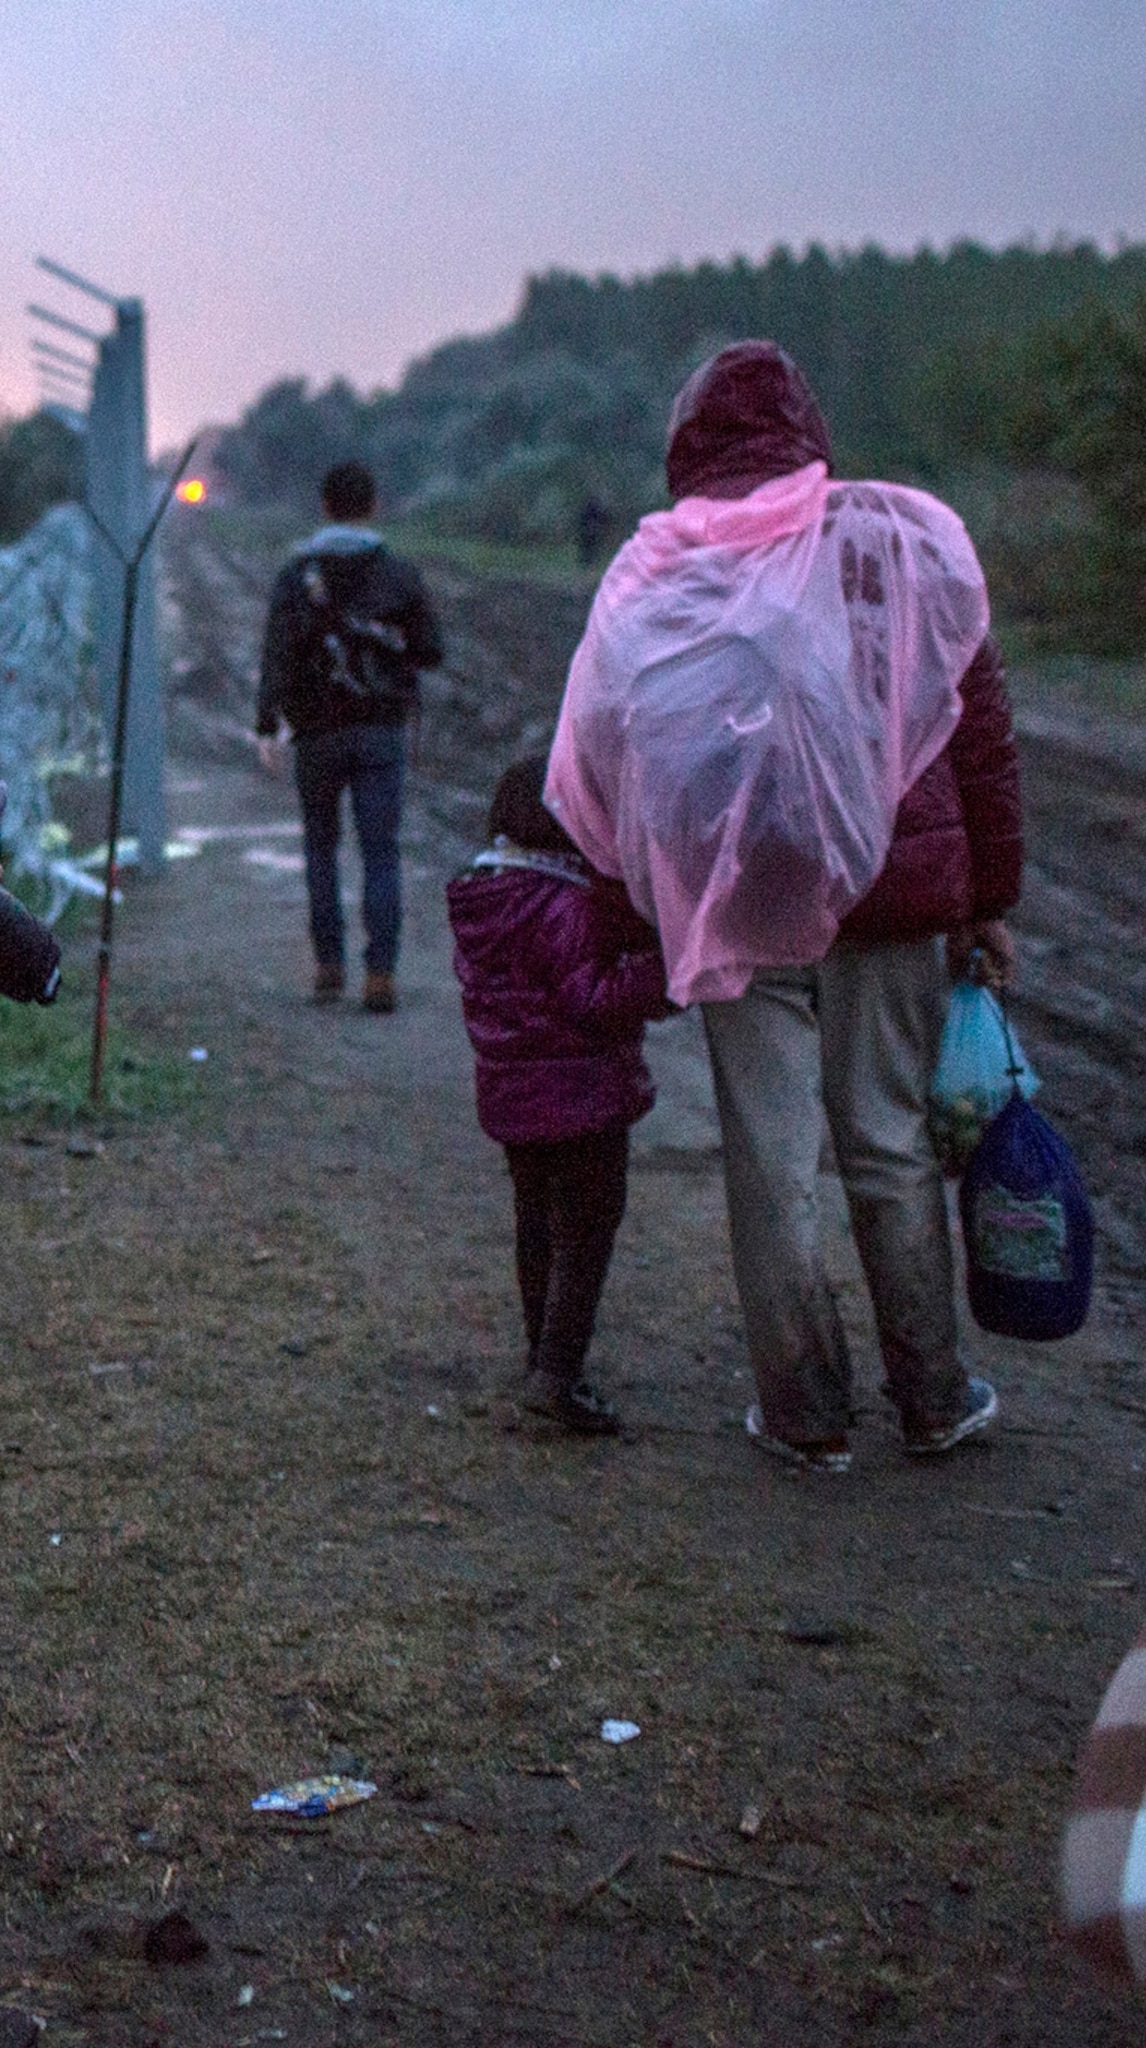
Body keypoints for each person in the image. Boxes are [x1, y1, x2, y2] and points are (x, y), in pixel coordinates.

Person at [545, 341, 1021, 1475]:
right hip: (893, 903)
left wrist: (630, 915)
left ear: (686, 450)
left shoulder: (659, 576)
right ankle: (934, 1395)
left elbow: (613, 750)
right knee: (893, 1144)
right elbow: (982, 729)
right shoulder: (893, 548)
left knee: (770, 1161)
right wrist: (989, 896)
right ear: (810, 431)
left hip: (740, 905)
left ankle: (806, 1408)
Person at [448, 756, 676, 1436]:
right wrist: (664, 977)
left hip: (513, 1096)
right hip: (584, 1098)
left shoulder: (482, 896)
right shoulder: (566, 903)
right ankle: (558, 1374)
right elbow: (594, 999)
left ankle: (538, 1355)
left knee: (536, 1226)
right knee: (587, 1232)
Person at [256, 460, 444, 1013]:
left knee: (320, 848)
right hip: (381, 730)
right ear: (373, 505)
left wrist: (267, 722)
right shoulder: (399, 574)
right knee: (381, 852)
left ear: (324, 505)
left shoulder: (295, 575)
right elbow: (431, 650)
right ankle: (380, 975)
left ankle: (328, 968)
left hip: (314, 733)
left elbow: (276, 653)